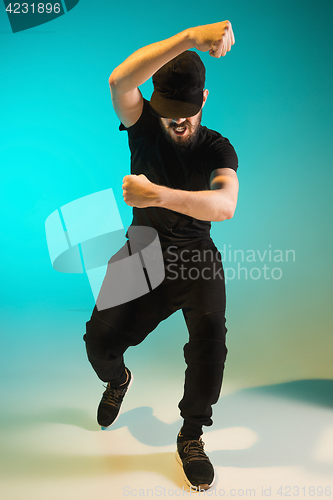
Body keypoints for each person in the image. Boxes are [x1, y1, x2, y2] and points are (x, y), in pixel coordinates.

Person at [84, 21, 239, 491]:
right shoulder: (143, 126)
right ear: (153, 102)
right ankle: (118, 379)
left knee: (210, 347)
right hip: (143, 252)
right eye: (168, 111)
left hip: (196, 258)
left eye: (186, 114)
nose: (176, 122)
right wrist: (191, 37)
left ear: (204, 102)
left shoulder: (217, 147)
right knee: (98, 344)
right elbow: (118, 81)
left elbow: (225, 205)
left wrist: (158, 196)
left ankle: (191, 436)